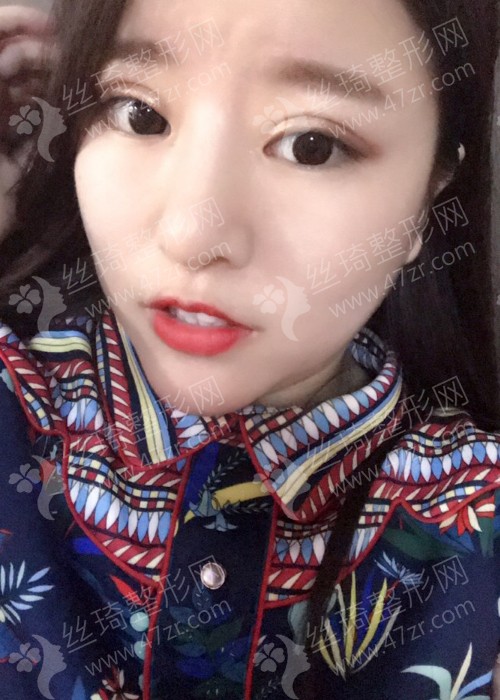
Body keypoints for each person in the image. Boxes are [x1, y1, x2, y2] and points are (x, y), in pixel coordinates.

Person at [0, 0, 498, 698]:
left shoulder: (474, 516)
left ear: (431, 191)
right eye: (139, 113)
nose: (194, 235)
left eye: (312, 145)